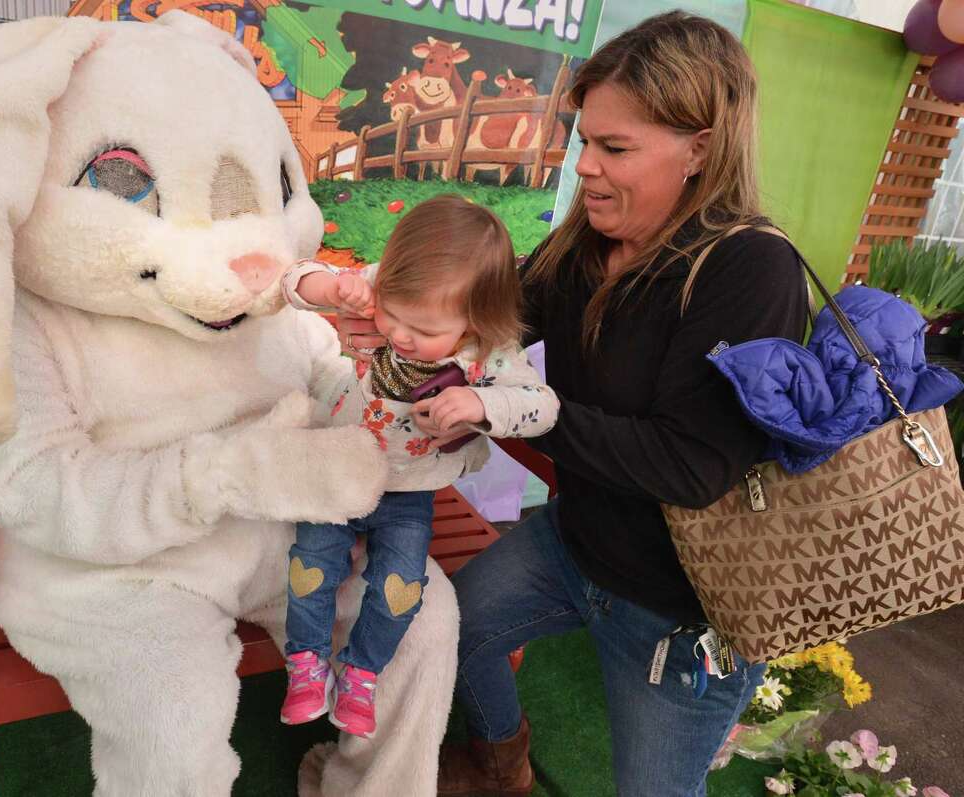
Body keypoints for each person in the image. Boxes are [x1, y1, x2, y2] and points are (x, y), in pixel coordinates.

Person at [334, 12, 809, 796]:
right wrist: (394, 325)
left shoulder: (750, 270)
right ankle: (501, 757)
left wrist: (527, 412)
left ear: (701, 146)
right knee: (442, 634)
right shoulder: (584, 244)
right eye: (583, 139)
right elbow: (483, 322)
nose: (584, 166)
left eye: (614, 148)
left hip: (679, 613)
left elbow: (693, 467)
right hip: (571, 545)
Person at [279, 194, 559, 739]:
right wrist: (334, 289)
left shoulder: (491, 348)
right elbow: (293, 281)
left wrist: (482, 406)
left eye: (424, 331)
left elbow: (543, 406)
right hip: (336, 471)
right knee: (309, 569)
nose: (401, 336)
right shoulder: (389, 285)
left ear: (476, 320)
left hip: (408, 494)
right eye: (394, 316)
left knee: (399, 589)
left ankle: (360, 673)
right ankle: (306, 665)